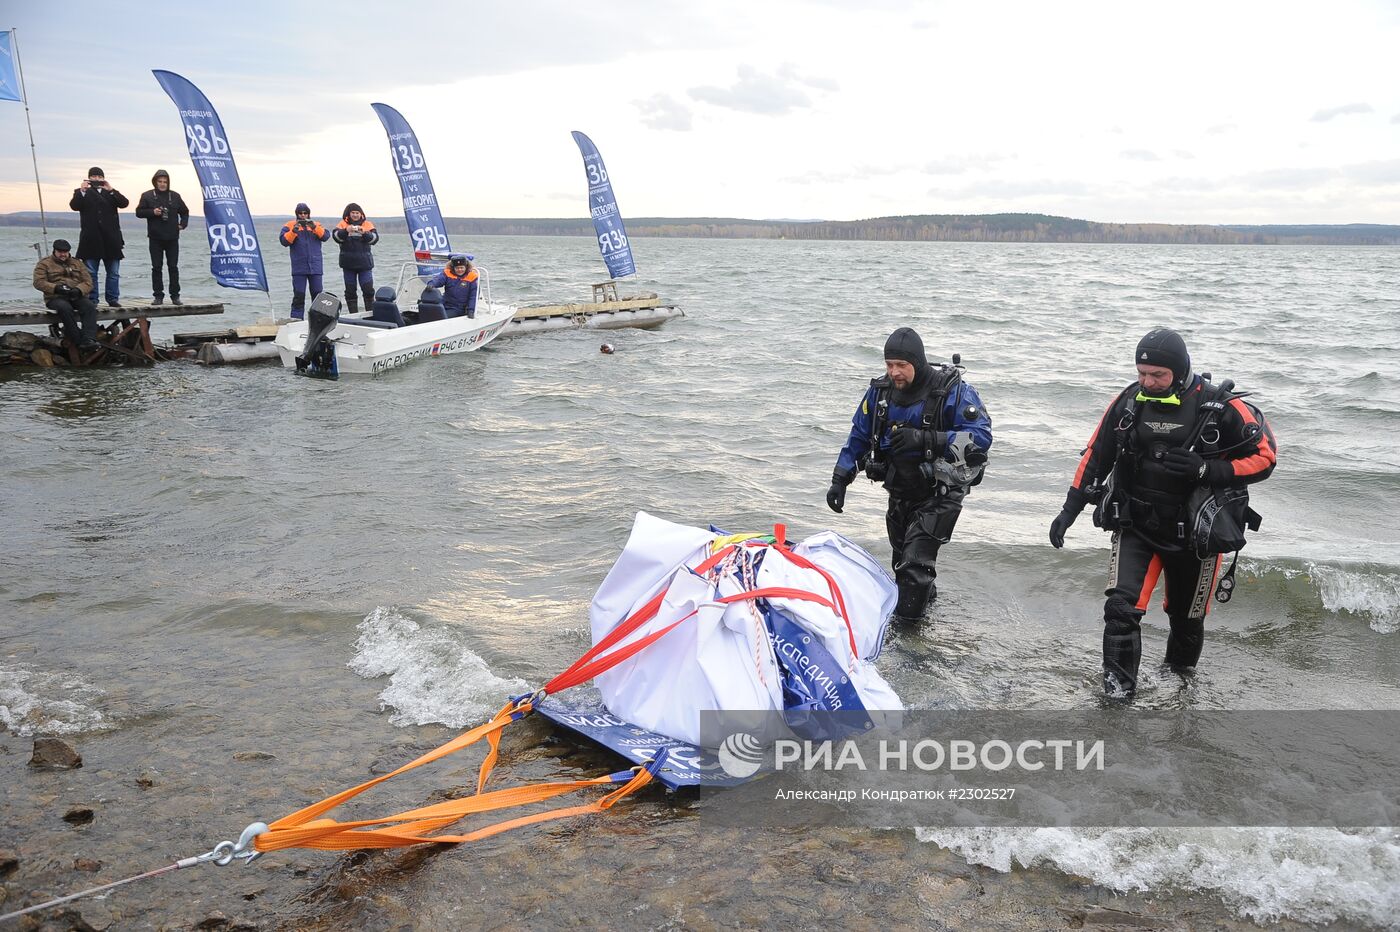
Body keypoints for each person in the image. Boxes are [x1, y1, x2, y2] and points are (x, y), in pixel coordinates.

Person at [1048, 328, 1277, 699]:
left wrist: (1206, 470)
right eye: (1142, 373)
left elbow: (1265, 458)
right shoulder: (1127, 403)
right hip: (1136, 525)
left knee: (1186, 621)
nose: (1147, 382)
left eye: (1158, 375)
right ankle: (1117, 698)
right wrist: (1069, 509)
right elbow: (1096, 456)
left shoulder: (1221, 407)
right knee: (1120, 609)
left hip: (1196, 536)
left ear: (1180, 370)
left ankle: (1178, 691)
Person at [827, 327, 993, 624]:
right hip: (901, 490)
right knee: (902, 564)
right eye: (889, 365)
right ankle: (927, 615)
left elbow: (980, 438)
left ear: (918, 362)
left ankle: (908, 640)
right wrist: (840, 479)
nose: (894, 373)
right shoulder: (880, 393)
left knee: (913, 569)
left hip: (941, 493)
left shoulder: (953, 392)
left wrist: (927, 439)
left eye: (901, 366)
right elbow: (859, 436)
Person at [68, 167, 128, 307]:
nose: (96, 179)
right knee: (91, 273)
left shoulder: (110, 192)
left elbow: (124, 203)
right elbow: (74, 206)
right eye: (93, 177)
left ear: (103, 178)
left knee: (113, 273)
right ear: (89, 178)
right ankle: (93, 299)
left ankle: (113, 299)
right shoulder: (81, 192)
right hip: (91, 239)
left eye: (99, 177)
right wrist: (82, 191)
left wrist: (111, 190)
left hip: (111, 239)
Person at [133, 169, 190, 306]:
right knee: (156, 267)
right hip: (155, 238)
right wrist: (153, 212)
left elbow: (185, 212)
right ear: (155, 182)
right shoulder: (147, 196)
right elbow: (139, 212)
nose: (163, 184)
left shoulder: (175, 196)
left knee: (173, 267)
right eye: (160, 181)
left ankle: (175, 296)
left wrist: (183, 224)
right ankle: (158, 296)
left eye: (165, 181)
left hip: (172, 238)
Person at [32, 239, 100, 351]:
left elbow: (88, 282)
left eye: (65, 252)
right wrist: (56, 288)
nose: (63, 254)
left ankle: (89, 339)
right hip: (55, 297)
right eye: (60, 252)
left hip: (76, 295)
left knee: (89, 306)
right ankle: (78, 340)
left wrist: (79, 290)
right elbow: (38, 282)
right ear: (54, 251)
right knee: (65, 308)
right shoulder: (44, 264)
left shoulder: (77, 263)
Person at [278, 203, 329, 318]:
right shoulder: (290, 225)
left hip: (315, 268)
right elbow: (284, 241)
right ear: (297, 214)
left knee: (317, 296)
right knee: (299, 296)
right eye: (300, 213)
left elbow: (325, 236)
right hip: (299, 268)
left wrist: (315, 228)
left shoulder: (316, 224)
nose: (303, 215)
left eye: (305, 213)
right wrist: (293, 232)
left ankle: (318, 320)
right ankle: (296, 320)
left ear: (308, 214)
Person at [331, 203, 379, 314]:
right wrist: (346, 230)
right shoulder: (343, 224)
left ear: (361, 214)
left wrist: (364, 233)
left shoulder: (367, 224)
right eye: (353, 213)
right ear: (349, 213)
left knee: (368, 290)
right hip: (348, 264)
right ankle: (353, 314)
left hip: (364, 264)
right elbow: (336, 237)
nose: (355, 215)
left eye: (357, 213)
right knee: (350, 291)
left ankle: (370, 314)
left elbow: (375, 239)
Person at [426, 254, 479, 319]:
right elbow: (438, 280)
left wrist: (471, 310)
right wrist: (431, 284)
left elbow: (474, 296)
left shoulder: (472, 277)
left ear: (466, 267)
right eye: (457, 268)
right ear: (453, 268)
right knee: (429, 313)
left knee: (440, 317)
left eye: (461, 267)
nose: (459, 270)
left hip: (459, 308)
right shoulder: (447, 273)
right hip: (444, 304)